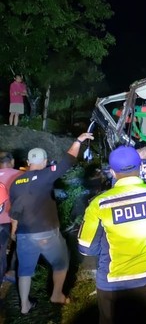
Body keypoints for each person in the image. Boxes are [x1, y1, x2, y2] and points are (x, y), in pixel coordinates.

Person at [77, 145, 146, 324]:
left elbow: (86, 248)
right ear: (141, 166)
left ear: (112, 172)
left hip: (114, 284)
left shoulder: (99, 204)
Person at [9, 132, 94, 314]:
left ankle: (24, 306)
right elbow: (68, 160)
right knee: (61, 262)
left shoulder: (16, 182)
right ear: (45, 161)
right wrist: (78, 141)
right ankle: (56, 294)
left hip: (24, 233)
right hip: (45, 233)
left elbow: (15, 210)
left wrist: (13, 231)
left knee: (24, 270)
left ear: (28, 161)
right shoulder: (43, 176)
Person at [0, 152, 23, 284]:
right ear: (12, 161)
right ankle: (12, 271)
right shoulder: (20, 175)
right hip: (16, 218)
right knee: (20, 245)